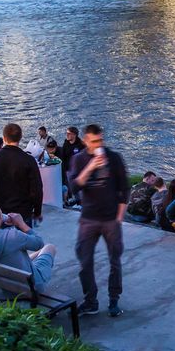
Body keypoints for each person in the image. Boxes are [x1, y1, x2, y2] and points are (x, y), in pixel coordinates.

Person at [67, 124, 129, 317]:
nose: (98, 144)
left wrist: (119, 217)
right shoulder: (79, 159)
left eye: (100, 140)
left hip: (111, 219)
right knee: (85, 261)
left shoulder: (114, 158)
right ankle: (90, 301)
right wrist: (91, 166)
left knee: (115, 261)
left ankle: (114, 300)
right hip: (89, 219)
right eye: (94, 141)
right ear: (86, 141)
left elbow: (125, 188)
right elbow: (74, 187)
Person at [0, 123, 43, 226]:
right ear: (20, 137)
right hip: (24, 211)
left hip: (2, 211)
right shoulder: (28, 160)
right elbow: (37, 190)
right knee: (24, 240)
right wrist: (37, 212)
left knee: (5, 240)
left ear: (4, 138)